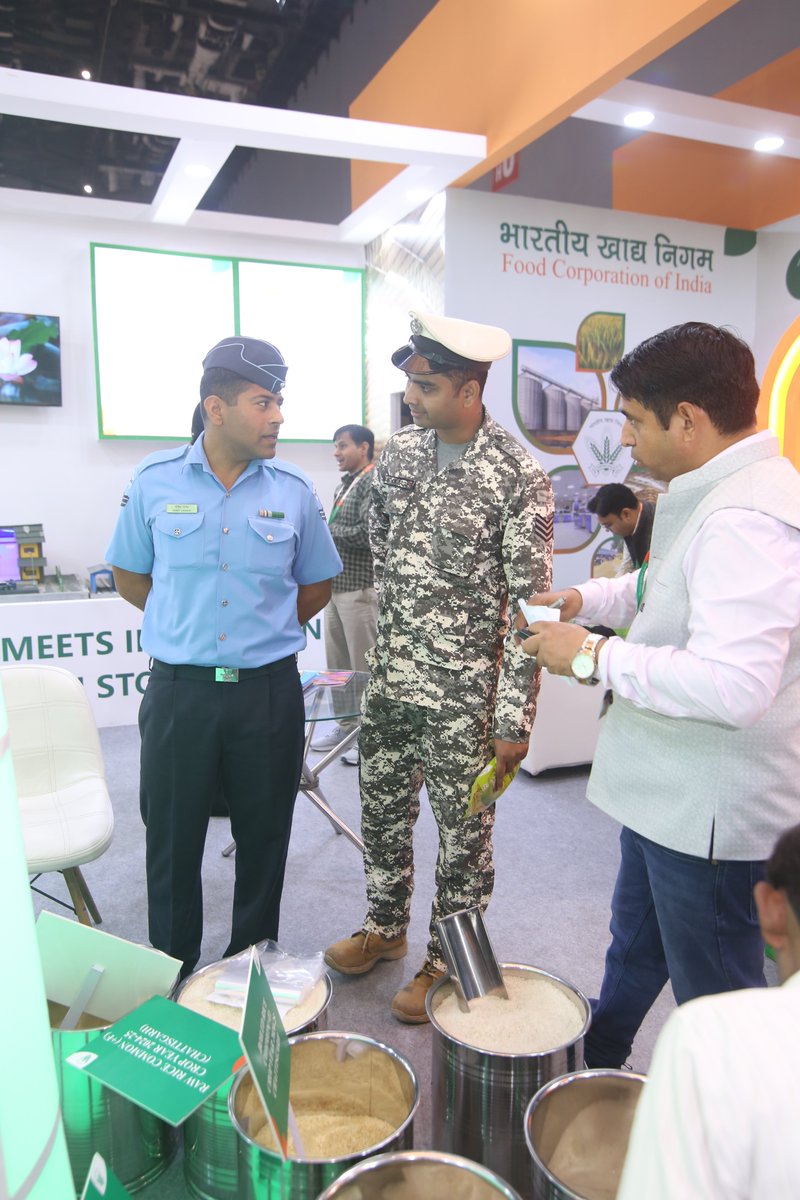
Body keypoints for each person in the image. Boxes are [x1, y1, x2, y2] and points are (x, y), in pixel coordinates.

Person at [520, 322, 800, 1067]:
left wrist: (594, 660)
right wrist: (587, 599)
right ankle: (599, 1067)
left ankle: (733, 1158)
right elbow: (659, 584)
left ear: (688, 418)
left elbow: (736, 687)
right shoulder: (714, 492)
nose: (626, 440)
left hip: (709, 818)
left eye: (637, 421)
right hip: (664, 800)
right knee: (635, 948)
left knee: (717, 1001)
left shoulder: (746, 518)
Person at [325, 311, 554, 1023]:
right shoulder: (397, 455)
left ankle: (443, 960)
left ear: (468, 389)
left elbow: (531, 613)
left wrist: (513, 722)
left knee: (463, 839)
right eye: (410, 384)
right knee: (383, 813)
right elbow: (361, 533)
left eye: (424, 385)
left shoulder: (518, 477)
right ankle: (386, 931)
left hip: (466, 701)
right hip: (393, 682)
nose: (410, 398)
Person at [106, 335, 342, 978]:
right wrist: (186, 627)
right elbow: (130, 576)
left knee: (265, 837)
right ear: (217, 407)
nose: (279, 418)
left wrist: (258, 632)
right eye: (264, 403)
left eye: (280, 403)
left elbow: (317, 583)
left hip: (266, 693)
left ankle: (249, 967)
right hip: (180, 691)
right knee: (173, 839)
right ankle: (173, 966)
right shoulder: (155, 481)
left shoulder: (294, 489)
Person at [618, 822, 800, 1199]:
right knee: (630, 956)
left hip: (709, 822)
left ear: (771, 909)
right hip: (654, 809)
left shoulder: (708, 1039)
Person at [311, 423, 378, 765]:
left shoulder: (373, 481)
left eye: (342, 446)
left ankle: (368, 738)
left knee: (363, 667)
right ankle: (344, 725)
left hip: (361, 591)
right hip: (335, 588)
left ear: (364, 448)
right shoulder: (345, 484)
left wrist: (327, 529)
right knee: (338, 667)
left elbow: (369, 532)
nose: (336, 453)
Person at [586, 482, 655, 573]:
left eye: (608, 525)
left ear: (626, 514)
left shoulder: (658, 525)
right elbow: (627, 566)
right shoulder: (630, 529)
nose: (607, 530)